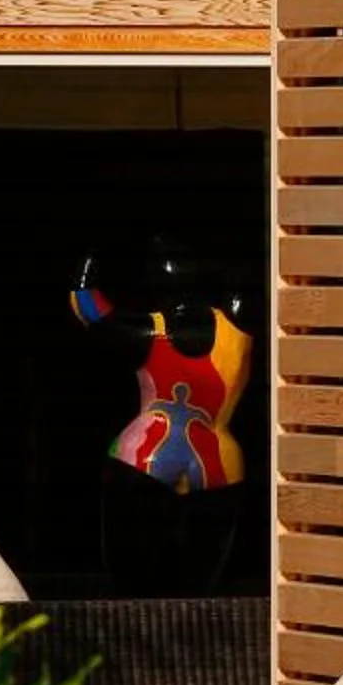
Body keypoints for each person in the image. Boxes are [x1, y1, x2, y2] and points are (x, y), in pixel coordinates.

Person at [71, 239, 253, 593]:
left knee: (133, 577)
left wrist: (90, 258)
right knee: (204, 583)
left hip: (145, 457)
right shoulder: (237, 332)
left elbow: (87, 306)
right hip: (219, 462)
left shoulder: (150, 331)